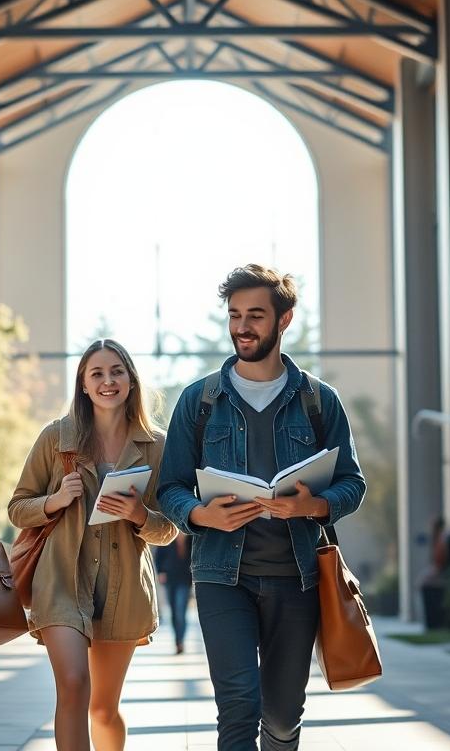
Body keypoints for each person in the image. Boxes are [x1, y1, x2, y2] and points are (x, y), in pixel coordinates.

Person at [158, 264, 366, 751]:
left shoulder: (318, 400)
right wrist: (200, 514)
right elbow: (169, 488)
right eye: (234, 315)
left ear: (284, 319)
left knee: (282, 715)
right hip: (220, 577)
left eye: (254, 315)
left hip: (296, 579)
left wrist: (315, 505)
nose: (242, 327)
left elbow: (352, 484)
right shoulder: (199, 400)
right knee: (238, 708)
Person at [7, 338, 178, 751]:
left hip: (123, 590)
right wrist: (54, 500)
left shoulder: (157, 445)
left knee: (103, 708)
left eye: (116, 371)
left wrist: (139, 515)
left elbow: (169, 527)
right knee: (73, 686)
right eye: (96, 373)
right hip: (62, 580)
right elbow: (16, 508)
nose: (107, 381)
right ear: (83, 384)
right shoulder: (56, 438)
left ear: (131, 380)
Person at [154, 533, 193, 654]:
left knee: (181, 611)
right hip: (170, 578)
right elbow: (158, 555)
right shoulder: (169, 535)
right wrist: (160, 571)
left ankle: (181, 640)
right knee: (174, 612)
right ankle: (177, 640)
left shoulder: (191, 538)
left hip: (185, 579)